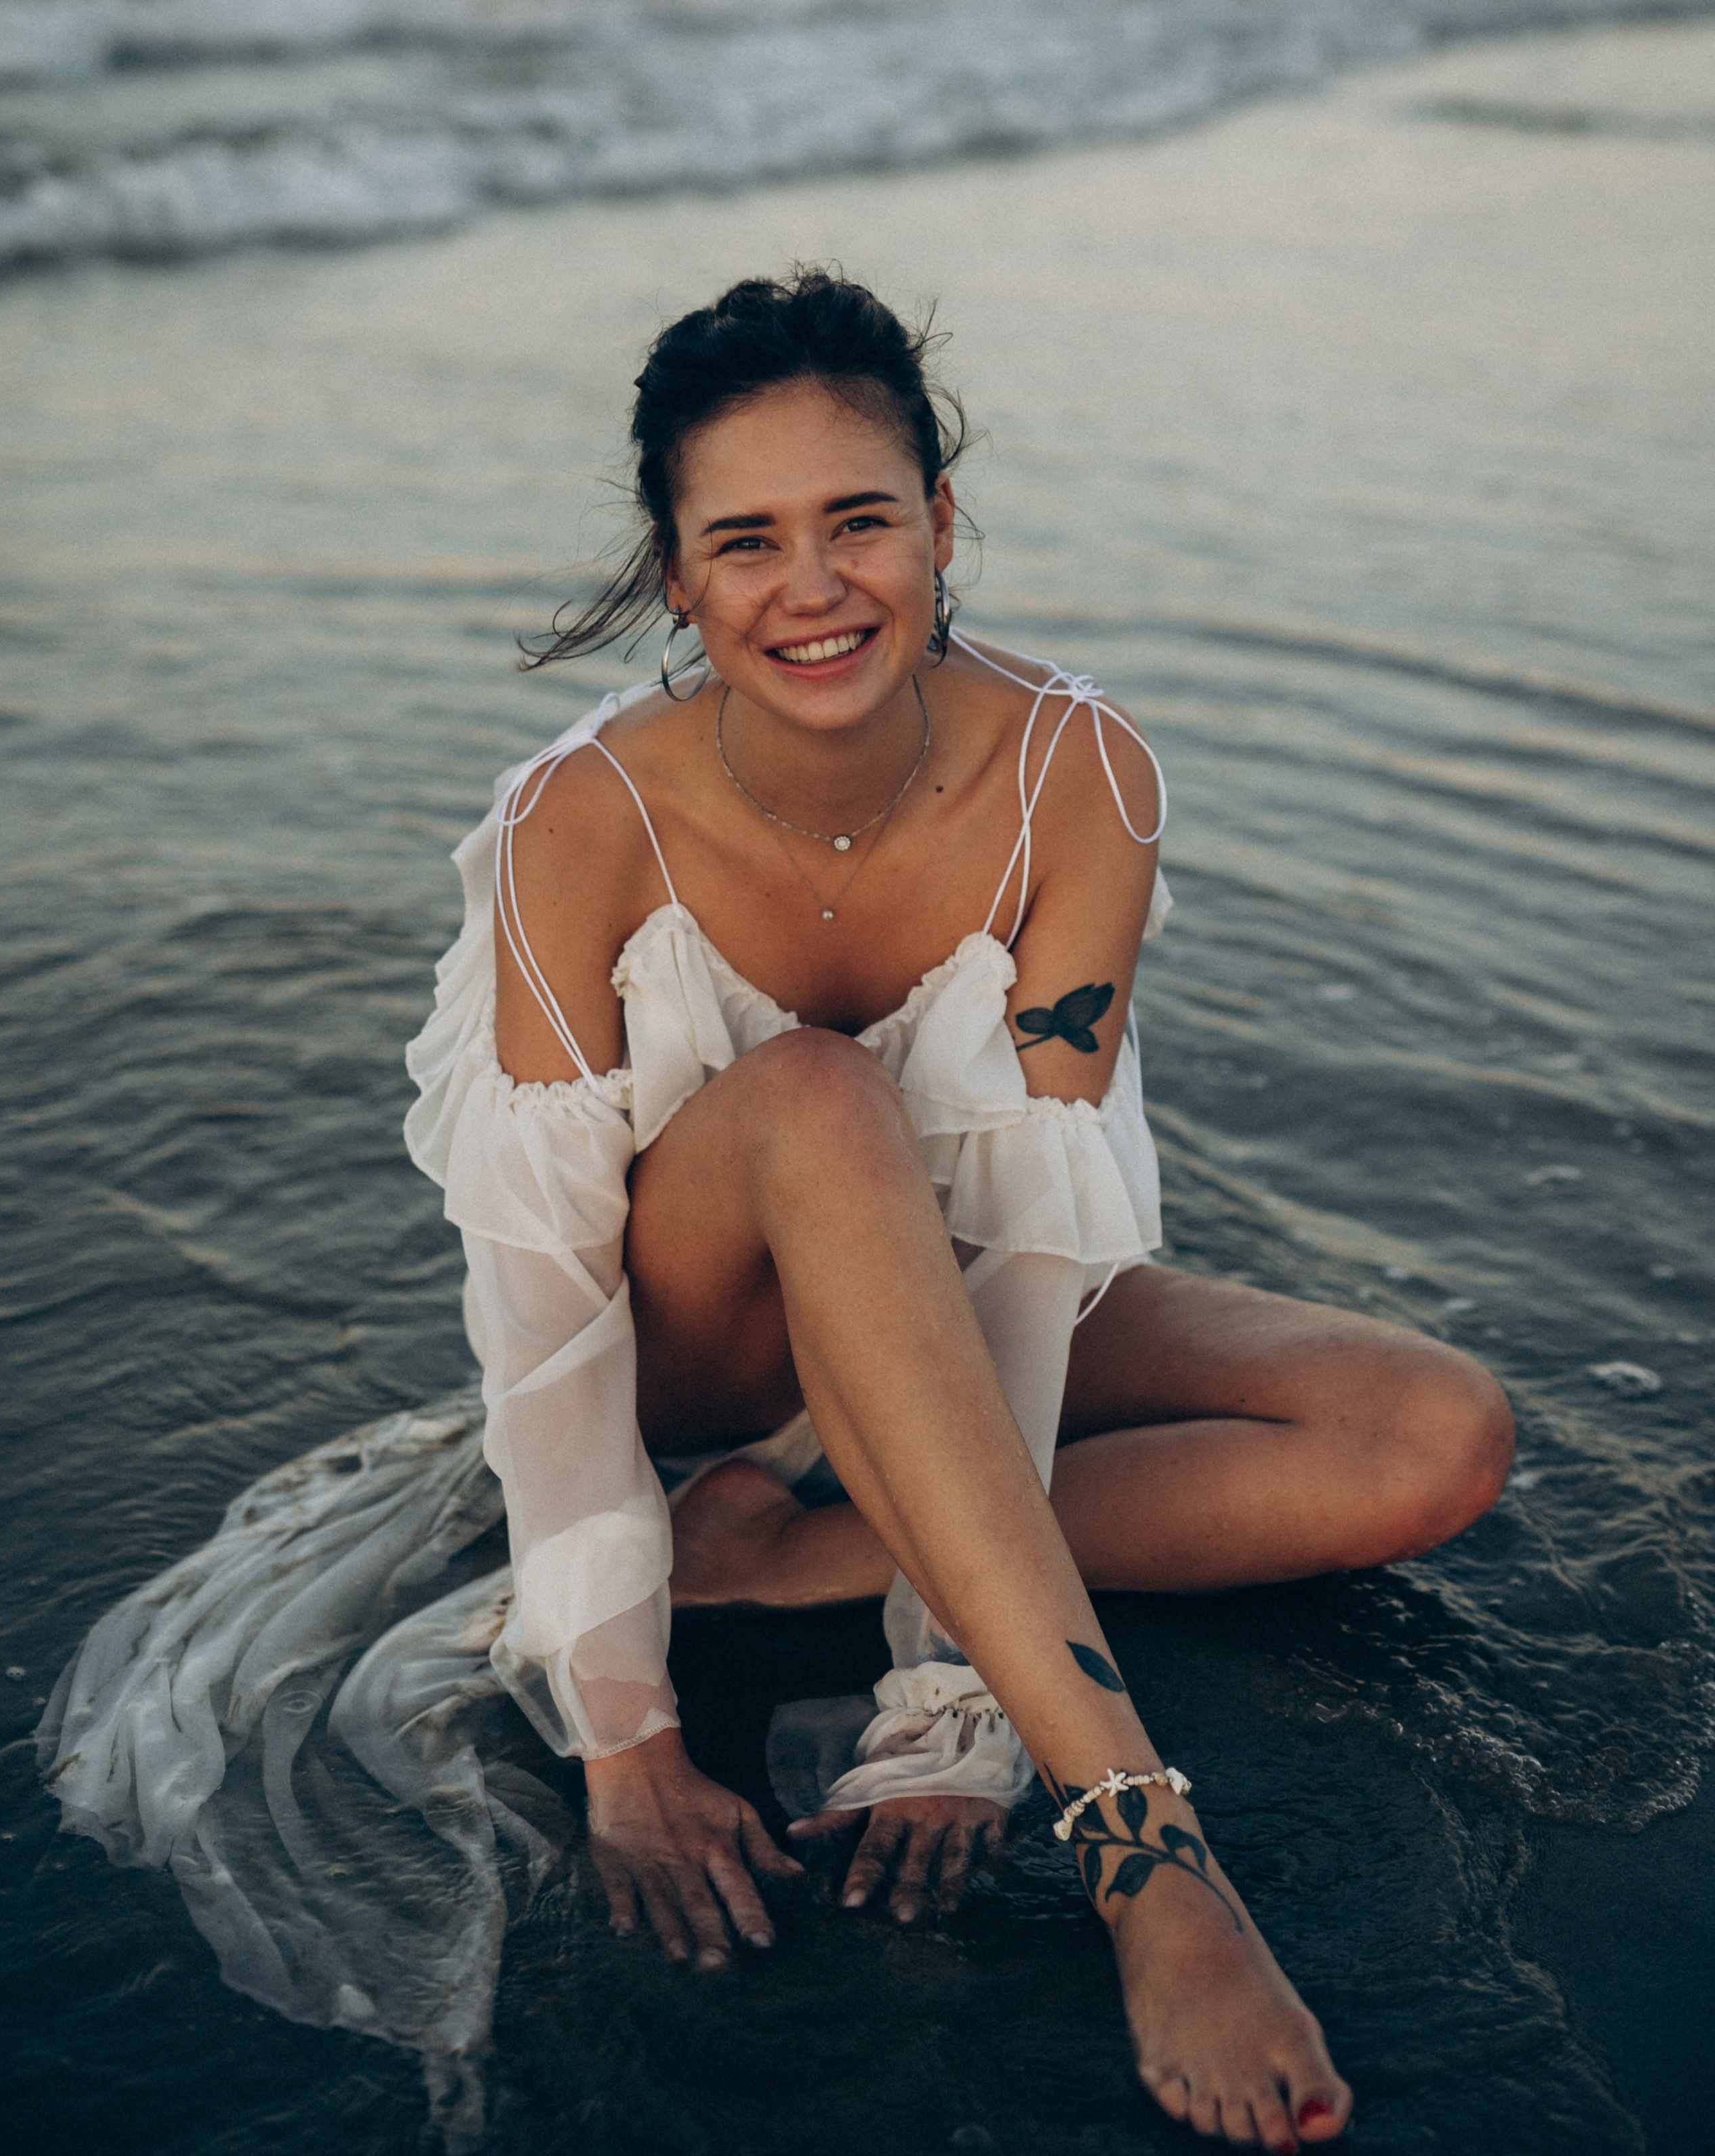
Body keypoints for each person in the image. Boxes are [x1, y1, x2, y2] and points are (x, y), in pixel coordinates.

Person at [404, 267, 1513, 2152]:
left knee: (1435, 1436)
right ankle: (1159, 1864)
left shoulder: (1077, 775)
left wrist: (951, 1691)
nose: (812, 587)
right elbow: (547, 1311)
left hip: (937, 1318)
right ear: (676, 576)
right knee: (822, 1096)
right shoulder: (577, 824)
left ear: (939, 516)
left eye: (861, 519)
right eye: (743, 541)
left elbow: (1024, 1258)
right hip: (692, 1344)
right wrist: (629, 1734)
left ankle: (769, 1554)